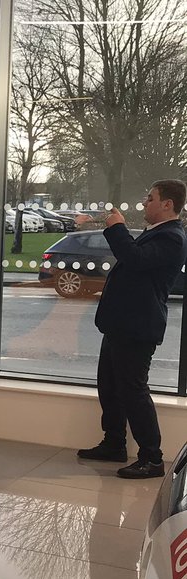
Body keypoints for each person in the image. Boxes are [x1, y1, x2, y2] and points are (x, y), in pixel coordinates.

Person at [76, 180, 187, 479]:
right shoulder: (157, 234)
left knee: (133, 391)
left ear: (167, 204)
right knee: (110, 387)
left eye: (150, 198)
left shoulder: (173, 237)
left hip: (138, 327)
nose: (144, 202)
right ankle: (114, 443)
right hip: (121, 324)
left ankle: (152, 458)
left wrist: (116, 228)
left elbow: (134, 260)